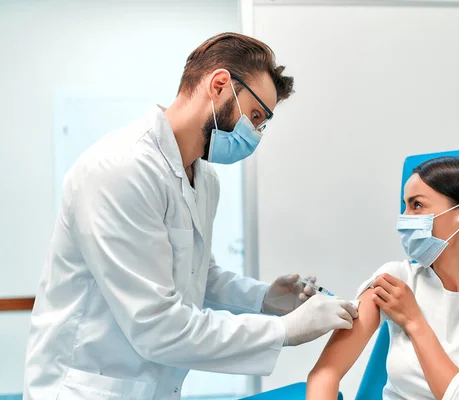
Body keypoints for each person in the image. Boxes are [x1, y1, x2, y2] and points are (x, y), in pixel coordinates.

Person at [23, 33, 358, 400]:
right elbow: (158, 327)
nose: (256, 134)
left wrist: (264, 299)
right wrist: (286, 331)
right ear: (219, 85)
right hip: (88, 390)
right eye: (256, 116)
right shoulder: (120, 170)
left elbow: (200, 277)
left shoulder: (204, 178)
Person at [307, 156, 459, 400]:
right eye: (404, 206)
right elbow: (325, 374)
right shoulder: (398, 279)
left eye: (417, 205)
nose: (405, 219)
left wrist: (414, 321)